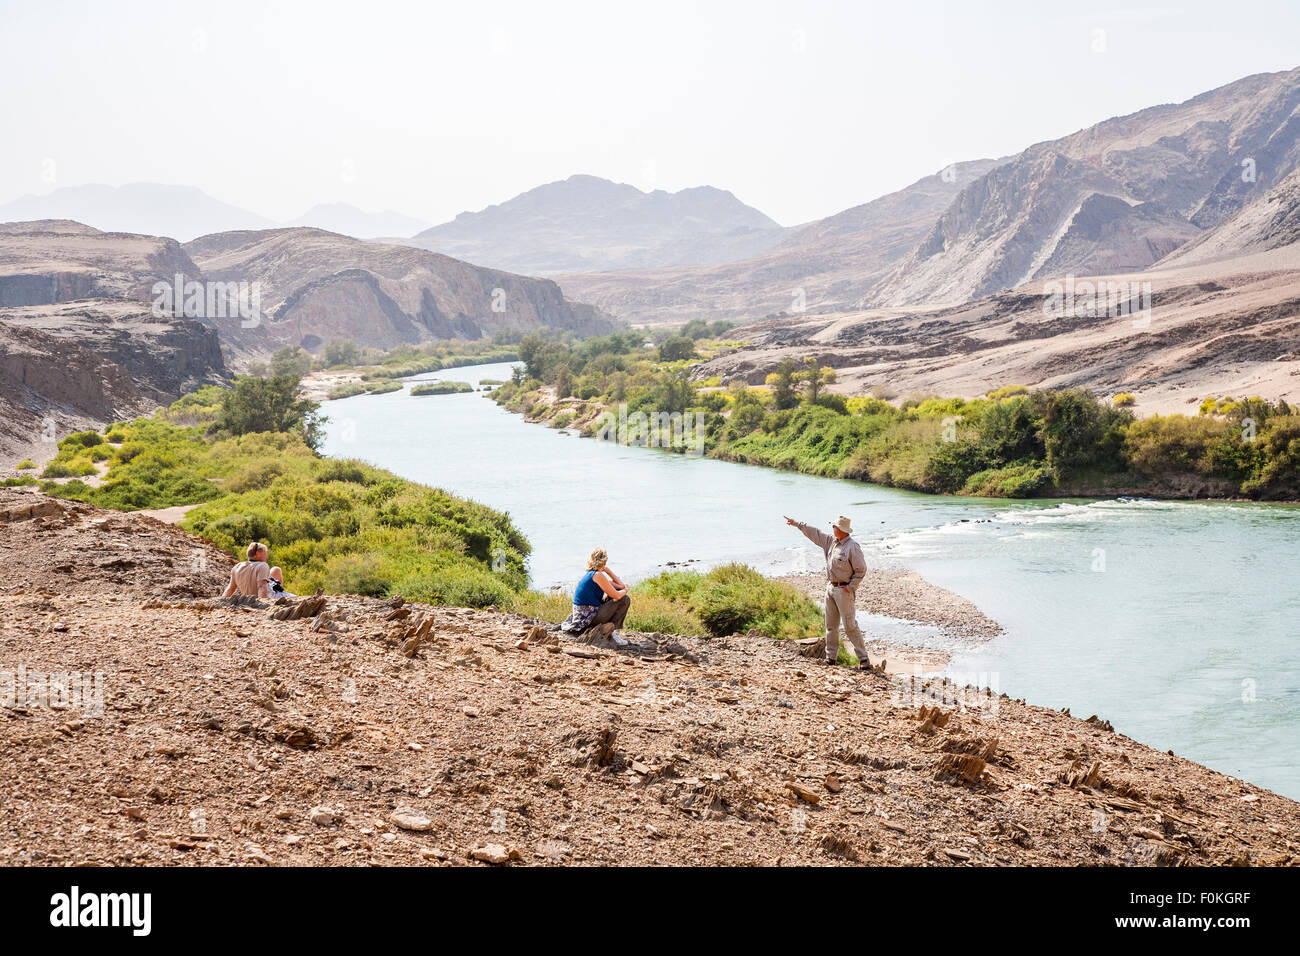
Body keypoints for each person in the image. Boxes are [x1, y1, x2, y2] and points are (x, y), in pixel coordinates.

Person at [784, 513, 872, 668]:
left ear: (842, 530)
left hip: (844, 591)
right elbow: (815, 533)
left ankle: (863, 659)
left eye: (835, 526)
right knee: (830, 626)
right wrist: (797, 524)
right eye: (833, 526)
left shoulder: (852, 546)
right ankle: (831, 658)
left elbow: (861, 570)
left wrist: (851, 587)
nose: (832, 528)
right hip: (831, 588)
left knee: (850, 625)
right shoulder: (830, 542)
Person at [559, 548, 631, 646]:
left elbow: (620, 586)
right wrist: (626, 590)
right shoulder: (597, 575)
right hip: (588, 619)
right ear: (603, 561)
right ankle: (614, 633)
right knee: (624, 599)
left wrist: (608, 571)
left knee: (618, 594)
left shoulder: (592, 574)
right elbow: (618, 595)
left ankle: (612, 631)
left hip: (588, 614)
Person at [221, 541, 285, 600]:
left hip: (248, 599)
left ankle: (277, 589)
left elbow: (230, 589)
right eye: (265, 554)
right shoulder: (262, 565)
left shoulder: (237, 567)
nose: (267, 557)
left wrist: (221, 601)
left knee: (276, 570)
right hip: (268, 597)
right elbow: (261, 586)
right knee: (294, 598)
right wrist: (263, 604)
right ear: (257, 553)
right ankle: (279, 592)